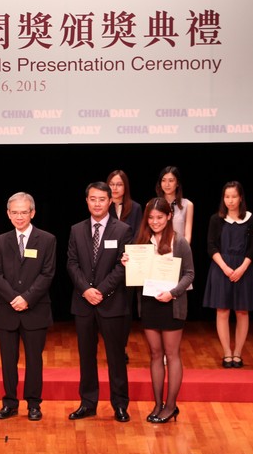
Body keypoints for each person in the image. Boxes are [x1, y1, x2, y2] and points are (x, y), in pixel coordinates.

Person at [122, 197, 194, 424]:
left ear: (169, 217)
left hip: (172, 304)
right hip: (150, 303)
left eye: (160, 217)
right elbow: (136, 277)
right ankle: (157, 404)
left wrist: (172, 293)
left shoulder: (179, 242)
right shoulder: (141, 242)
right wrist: (128, 263)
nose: (155, 222)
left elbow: (189, 274)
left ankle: (171, 405)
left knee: (171, 354)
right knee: (154, 354)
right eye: (151, 218)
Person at [66, 181, 133, 423]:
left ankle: (120, 405)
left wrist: (100, 291)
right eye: (92, 199)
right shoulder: (76, 229)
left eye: (102, 199)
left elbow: (122, 266)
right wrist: (86, 290)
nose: (97, 203)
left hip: (112, 303)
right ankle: (88, 403)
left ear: (110, 201)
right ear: (87, 201)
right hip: (83, 303)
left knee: (116, 356)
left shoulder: (123, 230)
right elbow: (71, 264)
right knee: (86, 355)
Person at [0, 192, 56, 422]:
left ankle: (34, 404)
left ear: (33, 213)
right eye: (15, 213)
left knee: (34, 360)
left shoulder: (47, 239)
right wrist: (13, 298)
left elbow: (48, 274)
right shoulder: (0, 241)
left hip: (35, 309)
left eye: (24, 212)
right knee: (8, 360)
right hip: (7, 310)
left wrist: (27, 298)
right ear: (8, 214)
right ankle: (9, 402)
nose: (19, 217)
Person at [202, 181, 253, 369]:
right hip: (222, 268)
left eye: (234, 197)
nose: (230, 200)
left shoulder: (251, 219)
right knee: (222, 310)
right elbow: (211, 246)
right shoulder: (216, 219)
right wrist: (225, 268)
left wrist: (242, 268)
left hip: (243, 268)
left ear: (241, 197)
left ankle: (238, 353)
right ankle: (227, 352)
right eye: (226, 197)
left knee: (243, 311)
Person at [107, 169, 143, 364]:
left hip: (129, 265)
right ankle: (111, 347)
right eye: (112, 184)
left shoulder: (136, 208)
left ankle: (122, 347)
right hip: (107, 266)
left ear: (125, 187)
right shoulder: (103, 206)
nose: (115, 188)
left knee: (125, 310)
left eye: (119, 184)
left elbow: (138, 234)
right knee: (108, 310)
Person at [156, 165, 194, 244]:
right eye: (163, 180)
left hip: (179, 250)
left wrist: (183, 251)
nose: (167, 184)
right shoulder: (153, 204)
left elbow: (187, 235)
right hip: (158, 251)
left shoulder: (188, 204)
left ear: (177, 183)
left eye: (171, 180)